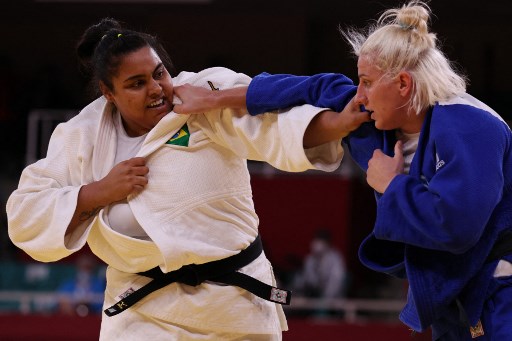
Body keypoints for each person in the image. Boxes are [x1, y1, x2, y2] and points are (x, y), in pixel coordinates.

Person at [6, 18, 369, 340]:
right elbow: (25, 214)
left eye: (158, 73)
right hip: (142, 311)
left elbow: (273, 122)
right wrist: (97, 193)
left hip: (235, 305)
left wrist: (339, 123)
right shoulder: (82, 135)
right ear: (108, 92)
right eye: (135, 83)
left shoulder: (202, 94)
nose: (156, 88)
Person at [172, 2, 512, 339]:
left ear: (404, 85)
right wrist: (212, 100)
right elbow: (306, 88)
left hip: (500, 285)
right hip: (455, 297)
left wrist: (391, 184)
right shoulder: (369, 121)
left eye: (366, 82)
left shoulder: (470, 127)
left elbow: (457, 227)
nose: (359, 95)